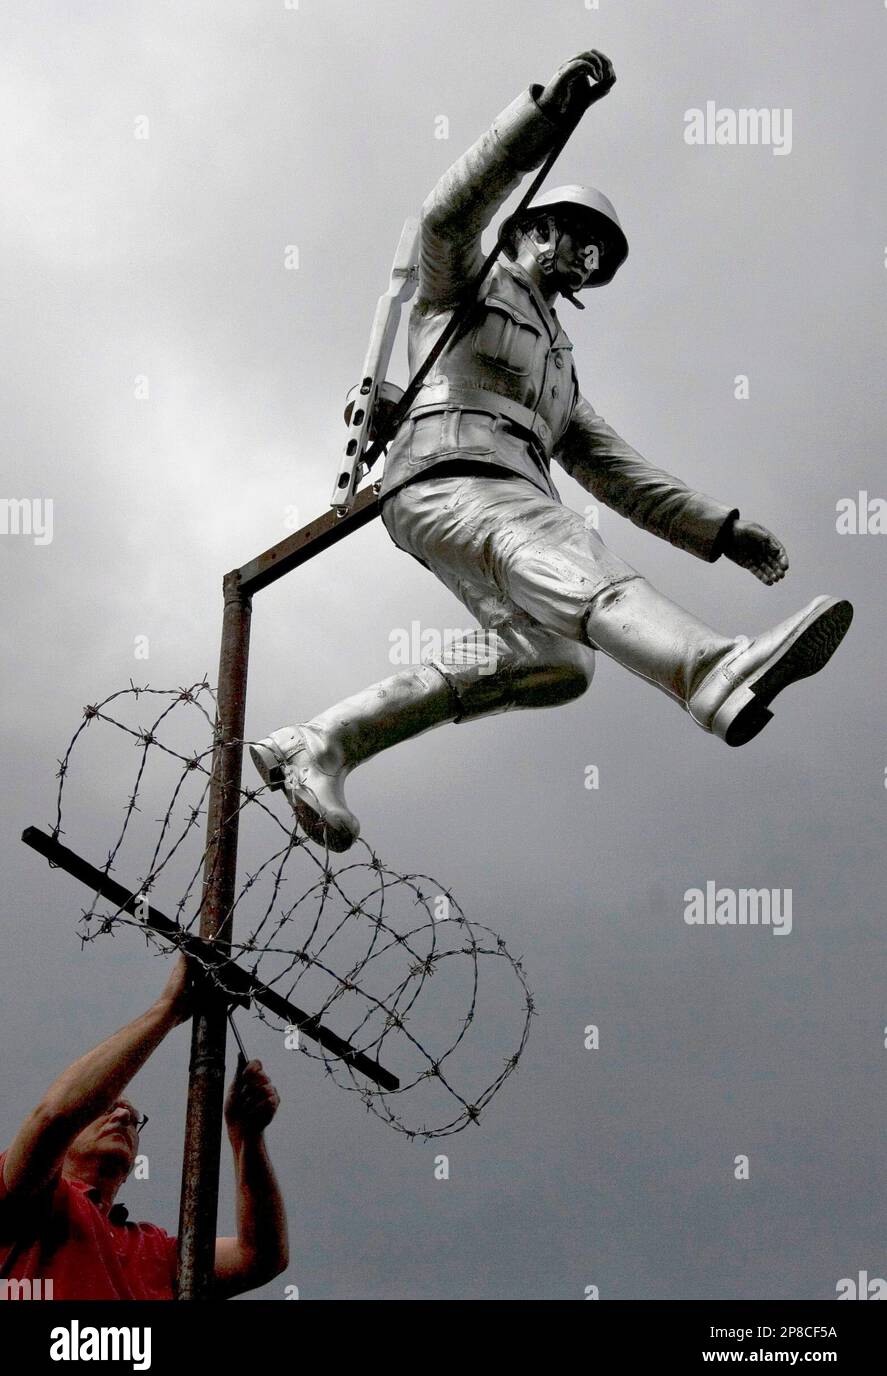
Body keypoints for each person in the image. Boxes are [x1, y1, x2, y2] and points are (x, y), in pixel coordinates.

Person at [250, 49, 853, 853]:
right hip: (446, 478)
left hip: (496, 495)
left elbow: (618, 471)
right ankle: (709, 670)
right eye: (580, 242)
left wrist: (722, 530)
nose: (586, 262)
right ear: (536, 227)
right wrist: (545, 115)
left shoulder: (561, 366)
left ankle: (322, 742)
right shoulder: (465, 285)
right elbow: (444, 217)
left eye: (597, 258)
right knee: (564, 541)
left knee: (555, 660)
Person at [0, 956, 288, 1299]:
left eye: (133, 1118)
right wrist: (169, 1010)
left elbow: (260, 1257)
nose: (123, 1117)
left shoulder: (155, 1250)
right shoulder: (29, 1198)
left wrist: (247, 1137)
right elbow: (52, 1119)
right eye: (107, 1109)